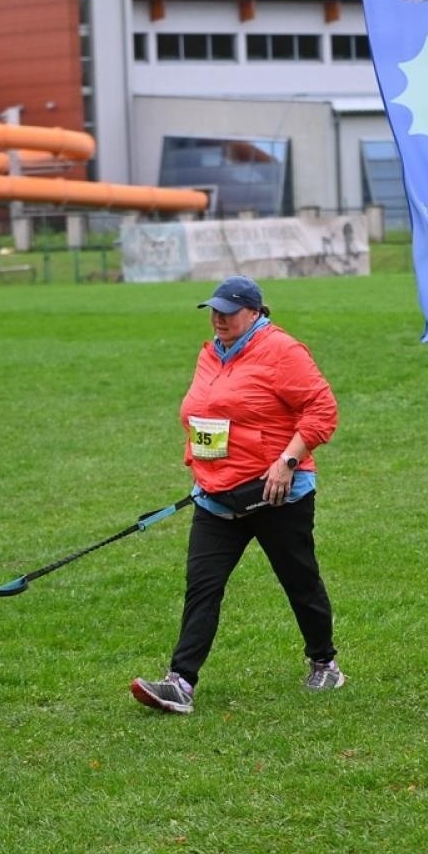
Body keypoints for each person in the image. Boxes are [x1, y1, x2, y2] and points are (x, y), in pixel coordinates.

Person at [131, 275, 343, 714]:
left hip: (275, 495)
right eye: (214, 310)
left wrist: (287, 461)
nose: (218, 318)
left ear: (254, 312)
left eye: (228, 311)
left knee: (299, 581)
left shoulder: (283, 351)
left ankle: (325, 662)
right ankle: (180, 684)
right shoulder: (211, 352)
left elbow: (322, 409)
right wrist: (204, 468)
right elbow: (204, 414)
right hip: (215, 498)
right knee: (202, 589)